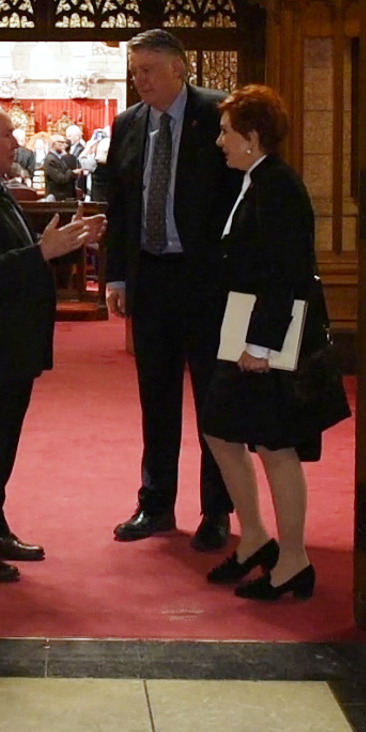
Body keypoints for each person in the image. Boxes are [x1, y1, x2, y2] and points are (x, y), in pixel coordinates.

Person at [0, 101, 105, 582]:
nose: (15, 142)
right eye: (6, 135)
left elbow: (15, 253)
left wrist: (54, 244)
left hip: (5, 347)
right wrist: (44, 252)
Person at [198, 85, 349, 600]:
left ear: (252, 137)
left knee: (275, 446)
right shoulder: (252, 180)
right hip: (248, 331)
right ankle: (258, 537)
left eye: (226, 132)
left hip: (270, 339)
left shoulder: (278, 185)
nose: (219, 141)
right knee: (222, 431)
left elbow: (286, 273)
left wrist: (260, 346)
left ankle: (293, 559)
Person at [99, 29, 241, 551]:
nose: (141, 81)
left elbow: (236, 199)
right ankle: (155, 504)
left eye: (150, 70)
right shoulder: (128, 124)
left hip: (205, 280)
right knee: (155, 397)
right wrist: (117, 276)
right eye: (136, 72)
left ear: (179, 68)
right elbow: (121, 204)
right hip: (152, 276)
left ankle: (217, 510)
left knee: (213, 398)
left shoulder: (218, 114)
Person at [41, 135, 83, 201]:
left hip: (64, 196)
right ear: (54, 144)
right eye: (62, 143)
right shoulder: (51, 160)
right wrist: (72, 172)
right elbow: (60, 179)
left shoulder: (58, 158)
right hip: (57, 197)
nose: (64, 145)